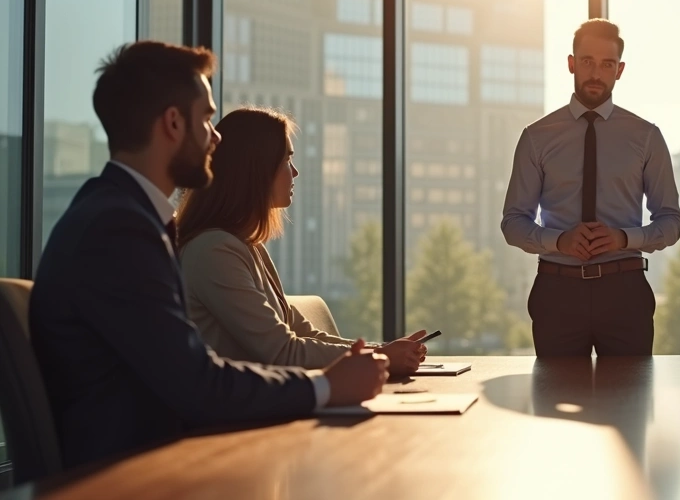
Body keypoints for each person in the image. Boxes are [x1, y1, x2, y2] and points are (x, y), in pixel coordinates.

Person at [30, 42, 388, 469]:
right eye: (206, 119)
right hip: (134, 475)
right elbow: (197, 383)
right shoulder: (118, 230)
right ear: (173, 123)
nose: (216, 139)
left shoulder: (119, 215)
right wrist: (326, 387)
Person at [176, 107, 427, 375]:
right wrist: (382, 356)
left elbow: (301, 333)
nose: (294, 172)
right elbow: (283, 351)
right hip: (240, 401)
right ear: (256, 170)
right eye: (286, 160)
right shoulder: (214, 251)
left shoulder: (246, 246)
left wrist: (384, 349)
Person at [501, 19, 680, 357]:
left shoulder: (646, 137)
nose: (596, 73)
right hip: (557, 292)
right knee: (555, 388)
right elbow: (513, 223)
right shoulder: (536, 137)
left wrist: (623, 238)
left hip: (625, 291)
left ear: (620, 70)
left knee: (629, 391)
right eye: (587, 62)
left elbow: (671, 221)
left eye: (607, 64)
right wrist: (560, 241)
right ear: (571, 63)